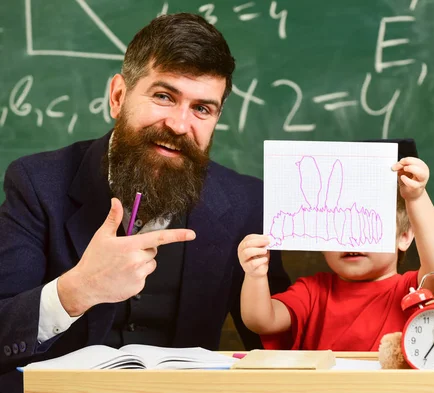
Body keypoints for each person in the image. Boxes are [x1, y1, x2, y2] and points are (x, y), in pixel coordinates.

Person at [0, 13, 290, 391]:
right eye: (164, 97)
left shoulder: (248, 202)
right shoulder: (37, 183)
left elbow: (280, 346)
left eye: (202, 108)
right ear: (118, 96)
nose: (179, 125)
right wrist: (75, 291)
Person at [238, 155, 434, 350]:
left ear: (404, 237)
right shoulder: (313, 293)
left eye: (367, 224)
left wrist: (416, 197)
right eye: (336, 225)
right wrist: (255, 275)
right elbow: (261, 321)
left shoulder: (411, 291)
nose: (351, 240)